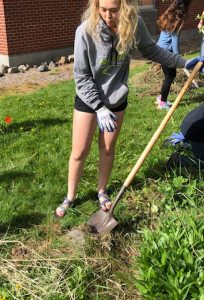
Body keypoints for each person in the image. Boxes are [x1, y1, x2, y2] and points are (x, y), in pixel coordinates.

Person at [55, 0, 204, 218]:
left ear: (125, 8)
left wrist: (183, 62)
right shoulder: (85, 32)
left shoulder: (135, 24)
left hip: (116, 99)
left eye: (114, 10)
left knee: (107, 149)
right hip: (88, 100)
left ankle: (102, 190)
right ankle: (70, 195)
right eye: (102, 9)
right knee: (79, 152)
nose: (108, 15)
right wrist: (98, 107)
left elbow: (152, 50)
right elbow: (81, 76)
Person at [155, 0, 192, 111]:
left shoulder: (169, 15)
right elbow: (175, 40)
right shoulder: (177, 20)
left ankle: (161, 98)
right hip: (167, 52)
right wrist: (178, 59)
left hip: (160, 49)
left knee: (169, 75)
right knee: (170, 76)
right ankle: (162, 103)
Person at [166, 103, 204, 170]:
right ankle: (179, 159)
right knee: (202, 163)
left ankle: (183, 144)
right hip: (194, 132)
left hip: (189, 127)